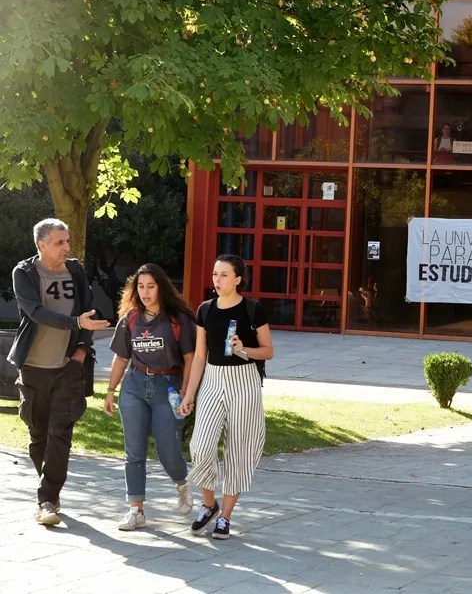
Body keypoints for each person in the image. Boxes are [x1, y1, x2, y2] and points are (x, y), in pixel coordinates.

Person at [7, 218, 109, 525]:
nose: (67, 247)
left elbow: (87, 313)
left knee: (60, 433)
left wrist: (81, 349)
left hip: (68, 366)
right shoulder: (24, 273)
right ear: (41, 244)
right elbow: (35, 312)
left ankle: (48, 500)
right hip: (34, 365)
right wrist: (76, 323)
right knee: (38, 434)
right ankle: (49, 491)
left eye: (67, 241)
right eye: (59, 242)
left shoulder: (75, 270)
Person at [178, 254, 273, 540]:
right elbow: (199, 357)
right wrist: (190, 394)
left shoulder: (253, 309)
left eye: (223, 275)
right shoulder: (205, 310)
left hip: (244, 380)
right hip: (213, 378)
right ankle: (209, 505)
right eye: (214, 274)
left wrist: (245, 349)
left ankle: (226, 518)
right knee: (200, 446)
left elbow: (268, 351)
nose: (217, 280)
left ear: (238, 279)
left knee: (238, 449)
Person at [103, 263, 197, 530]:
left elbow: (190, 358)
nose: (145, 292)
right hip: (134, 385)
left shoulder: (178, 319)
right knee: (134, 450)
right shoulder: (131, 319)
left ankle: (181, 482)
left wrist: (186, 391)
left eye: (150, 286)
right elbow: (121, 357)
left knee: (168, 449)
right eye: (140, 287)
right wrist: (111, 390)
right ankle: (136, 510)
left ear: (161, 288)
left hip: (168, 388)